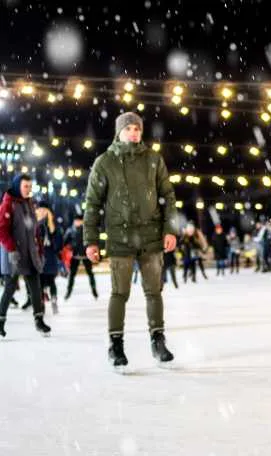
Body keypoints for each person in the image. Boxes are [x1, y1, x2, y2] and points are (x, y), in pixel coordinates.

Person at [84, 112, 177, 371]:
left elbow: (168, 196)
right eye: (129, 129)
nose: (134, 133)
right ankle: (116, 345)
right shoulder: (104, 163)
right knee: (119, 292)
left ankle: (158, 340)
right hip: (120, 236)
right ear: (119, 132)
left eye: (138, 129)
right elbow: (92, 204)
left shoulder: (153, 160)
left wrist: (169, 230)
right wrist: (91, 240)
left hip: (150, 236)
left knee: (154, 291)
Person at [0, 175, 51, 337]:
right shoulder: (8, 204)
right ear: (17, 186)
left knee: (36, 287)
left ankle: (39, 320)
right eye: (25, 186)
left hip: (30, 252)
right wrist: (11, 249)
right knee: (9, 288)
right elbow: (1, 230)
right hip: (14, 253)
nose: (29, 190)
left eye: (30, 186)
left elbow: (35, 230)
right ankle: (0, 321)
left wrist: (40, 250)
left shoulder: (29, 202)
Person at [36, 202, 63, 314]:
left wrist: (52, 240)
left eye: (44, 210)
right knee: (40, 282)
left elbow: (59, 243)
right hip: (38, 257)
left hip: (50, 257)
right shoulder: (34, 224)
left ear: (48, 212)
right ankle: (41, 304)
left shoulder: (53, 225)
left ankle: (53, 299)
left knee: (51, 280)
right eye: (40, 210)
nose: (42, 212)